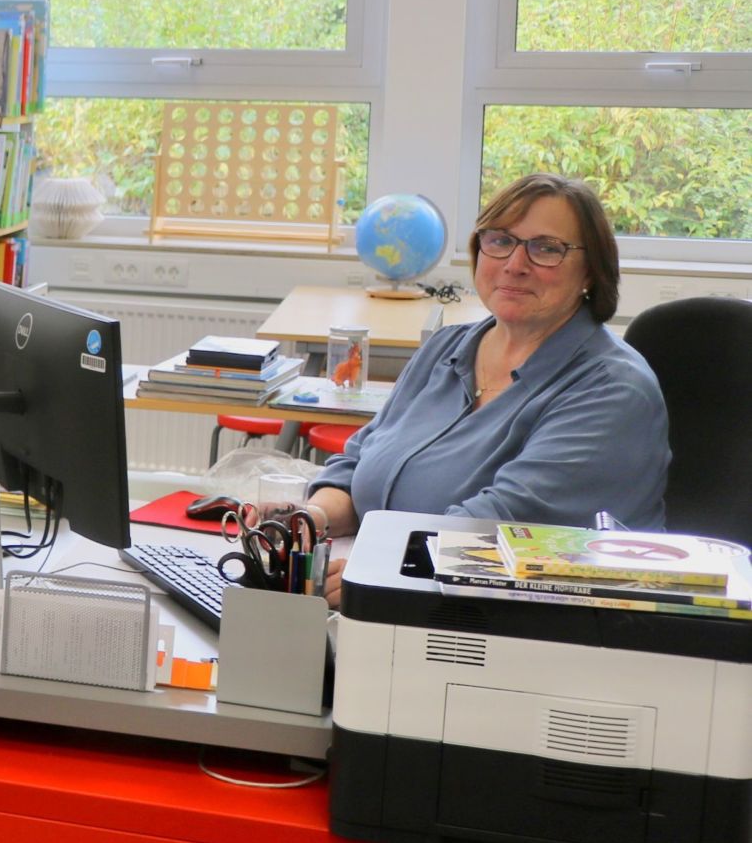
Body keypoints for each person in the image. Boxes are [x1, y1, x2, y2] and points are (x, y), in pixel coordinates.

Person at [269, 173, 670, 599]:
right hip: (403, 606)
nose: (515, 264)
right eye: (499, 240)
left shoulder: (613, 391)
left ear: (591, 271)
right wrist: (310, 520)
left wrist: (376, 569)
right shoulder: (447, 348)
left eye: (547, 249)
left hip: (525, 630)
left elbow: (500, 527)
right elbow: (359, 464)